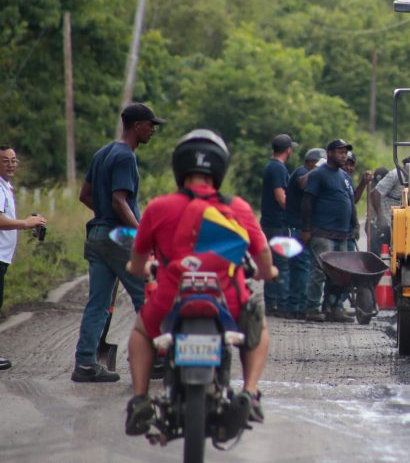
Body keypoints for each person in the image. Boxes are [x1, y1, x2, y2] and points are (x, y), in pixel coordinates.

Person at [123, 129, 277, 436]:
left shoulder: (158, 208)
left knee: (141, 331)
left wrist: (138, 268)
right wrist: (266, 272)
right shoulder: (238, 208)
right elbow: (263, 255)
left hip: (172, 299)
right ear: (219, 169)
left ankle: (139, 399)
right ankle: (249, 392)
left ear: (179, 168)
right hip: (226, 302)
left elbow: (137, 262)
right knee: (256, 327)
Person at [72, 102, 163, 383]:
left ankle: (85, 363)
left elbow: (85, 195)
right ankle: (156, 361)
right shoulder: (125, 156)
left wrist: (103, 216)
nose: (153, 131)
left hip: (98, 236)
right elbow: (119, 200)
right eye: (151, 125)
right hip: (117, 238)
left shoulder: (102, 153)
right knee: (147, 297)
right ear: (137, 126)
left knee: (97, 302)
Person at [0, 144, 48, 371]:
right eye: (5, 160)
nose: (10, 165)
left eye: (13, 160)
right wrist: (25, 223)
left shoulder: (5, 186)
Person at [301, 139, 358, 323]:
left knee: (342, 274)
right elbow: (307, 201)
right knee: (319, 271)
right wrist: (306, 229)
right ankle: (312, 308)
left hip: (342, 234)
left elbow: (350, 201)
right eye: (340, 152)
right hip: (322, 232)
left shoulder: (345, 176)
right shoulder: (319, 174)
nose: (344, 155)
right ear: (330, 153)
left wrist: (355, 224)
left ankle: (334, 308)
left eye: (345, 152)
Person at [278, 148, 324, 319]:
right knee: (301, 267)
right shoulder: (302, 172)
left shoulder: (307, 172)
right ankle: (298, 306)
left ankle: (294, 306)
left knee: (299, 268)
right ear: (311, 162)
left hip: (297, 228)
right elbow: (303, 184)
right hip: (296, 228)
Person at [261, 134, 297, 317]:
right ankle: (281, 303)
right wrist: (292, 211)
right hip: (277, 223)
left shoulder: (271, 166)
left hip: (269, 222)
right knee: (282, 263)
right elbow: (280, 196)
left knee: (272, 262)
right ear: (288, 149)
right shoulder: (278, 168)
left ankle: (271, 301)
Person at [371, 153, 410, 255]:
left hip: (403, 220)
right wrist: (380, 215)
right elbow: (375, 193)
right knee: (381, 246)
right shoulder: (395, 175)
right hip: (387, 217)